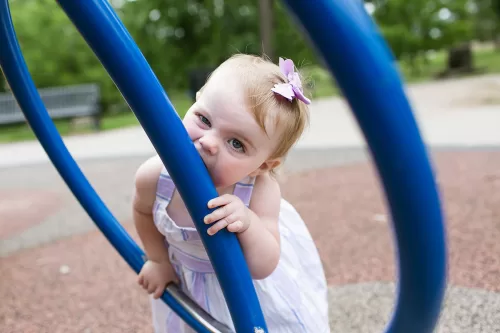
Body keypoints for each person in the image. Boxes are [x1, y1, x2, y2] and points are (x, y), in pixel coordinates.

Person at [132, 54, 329, 332]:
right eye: (203, 119)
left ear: (262, 165)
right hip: (188, 284)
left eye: (236, 143)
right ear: (196, 99)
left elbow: (264, 265)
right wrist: (158, 259)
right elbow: (142, 211)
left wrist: (247, 223)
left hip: (245, 293)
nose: (209, 142)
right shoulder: (156, 176)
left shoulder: (259, 189)